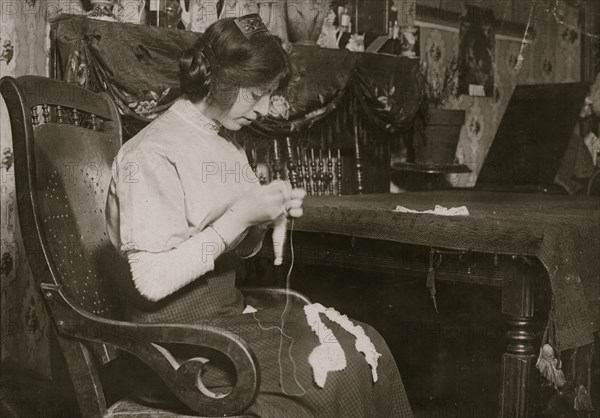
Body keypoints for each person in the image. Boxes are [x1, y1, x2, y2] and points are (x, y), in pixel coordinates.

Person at [105, 14, 413, 418]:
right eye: (256, 95)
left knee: (364, 343)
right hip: (176, 340)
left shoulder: (224, 144)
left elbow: (240, 247)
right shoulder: (150, 153)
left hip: (221, 316)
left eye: (269, 95)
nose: (265, 109)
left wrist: (264, 217)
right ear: (219, 81)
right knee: (330, 370)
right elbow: (150, 282)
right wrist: (239, 216)